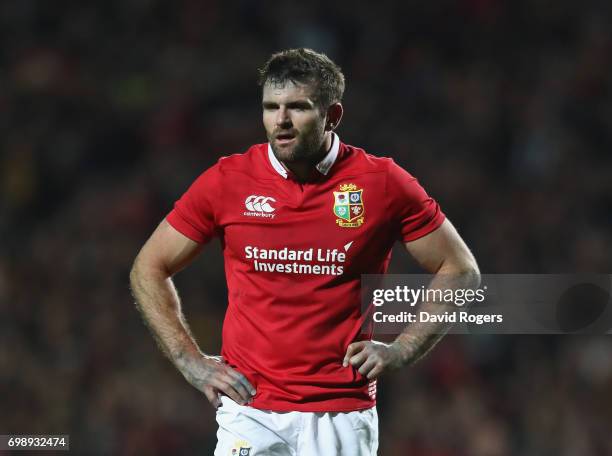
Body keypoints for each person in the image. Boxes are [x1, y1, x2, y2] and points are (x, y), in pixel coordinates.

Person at [130, 48, 479, 455]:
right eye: (271, 107)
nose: (280, 121)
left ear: (333, 116)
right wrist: (188, 360)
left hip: (342, 414)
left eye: (297, 107)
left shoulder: (381, 183)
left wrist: (403, 348)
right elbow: (148, 266)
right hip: (251, 408)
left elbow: (460, 268)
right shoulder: (228, 181)